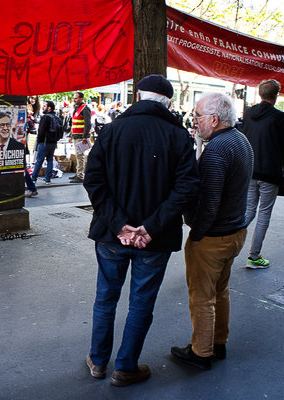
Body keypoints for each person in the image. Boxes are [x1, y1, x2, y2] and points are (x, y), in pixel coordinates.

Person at [83, 75, 199, 386]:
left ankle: (97, 359)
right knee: (141, 303)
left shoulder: (112, 131)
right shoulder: (178, 136)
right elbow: (186, 188)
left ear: (137, 95)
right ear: (169, 103)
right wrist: (149, 228)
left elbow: (94, 180)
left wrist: (119, 223)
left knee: (106, 298)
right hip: (155, 239)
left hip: (111, 236)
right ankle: (125, 367)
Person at [171, 93, 253, 371]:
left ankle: (201, 353)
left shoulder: (217, 150)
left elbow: (208, 203)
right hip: (235, 232)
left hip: (214, 236)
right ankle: (218, 343)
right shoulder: (240, 140)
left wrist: (196, 234)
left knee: (202, 297)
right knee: (220, 291)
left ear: (214, 119)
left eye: (197, 116)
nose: (194, 122)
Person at [242, 79, 284, 269]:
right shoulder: (279, 117)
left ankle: (225, 245)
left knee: (248, 211)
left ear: (260, 94)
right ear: (276, 95)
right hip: (270, 172)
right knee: (264, 213)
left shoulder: (248, 114)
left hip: (250, 170)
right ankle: (254, 256)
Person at [31, 101, 61, 184]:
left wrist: (39, 141)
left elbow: (41, 131)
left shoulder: (45, 117)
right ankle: (48, 179)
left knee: (39, 161)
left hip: (44, 142)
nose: (43, 107)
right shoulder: (57, 118)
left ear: (49, 108)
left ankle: (33, 178)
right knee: (50, 160)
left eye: (44, 106)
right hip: (53, 143)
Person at [70, 91, 91, 183]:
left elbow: (88, 123)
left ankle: (80, 175)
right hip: (76, 135)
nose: (75, 99)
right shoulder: (77, 108)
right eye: (74, 98)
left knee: (80, 156)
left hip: (81, 136)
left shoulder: (84, 108)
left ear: (81, 98)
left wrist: (85, 136)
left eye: (76, 98)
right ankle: (78, 172)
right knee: (78, 155)